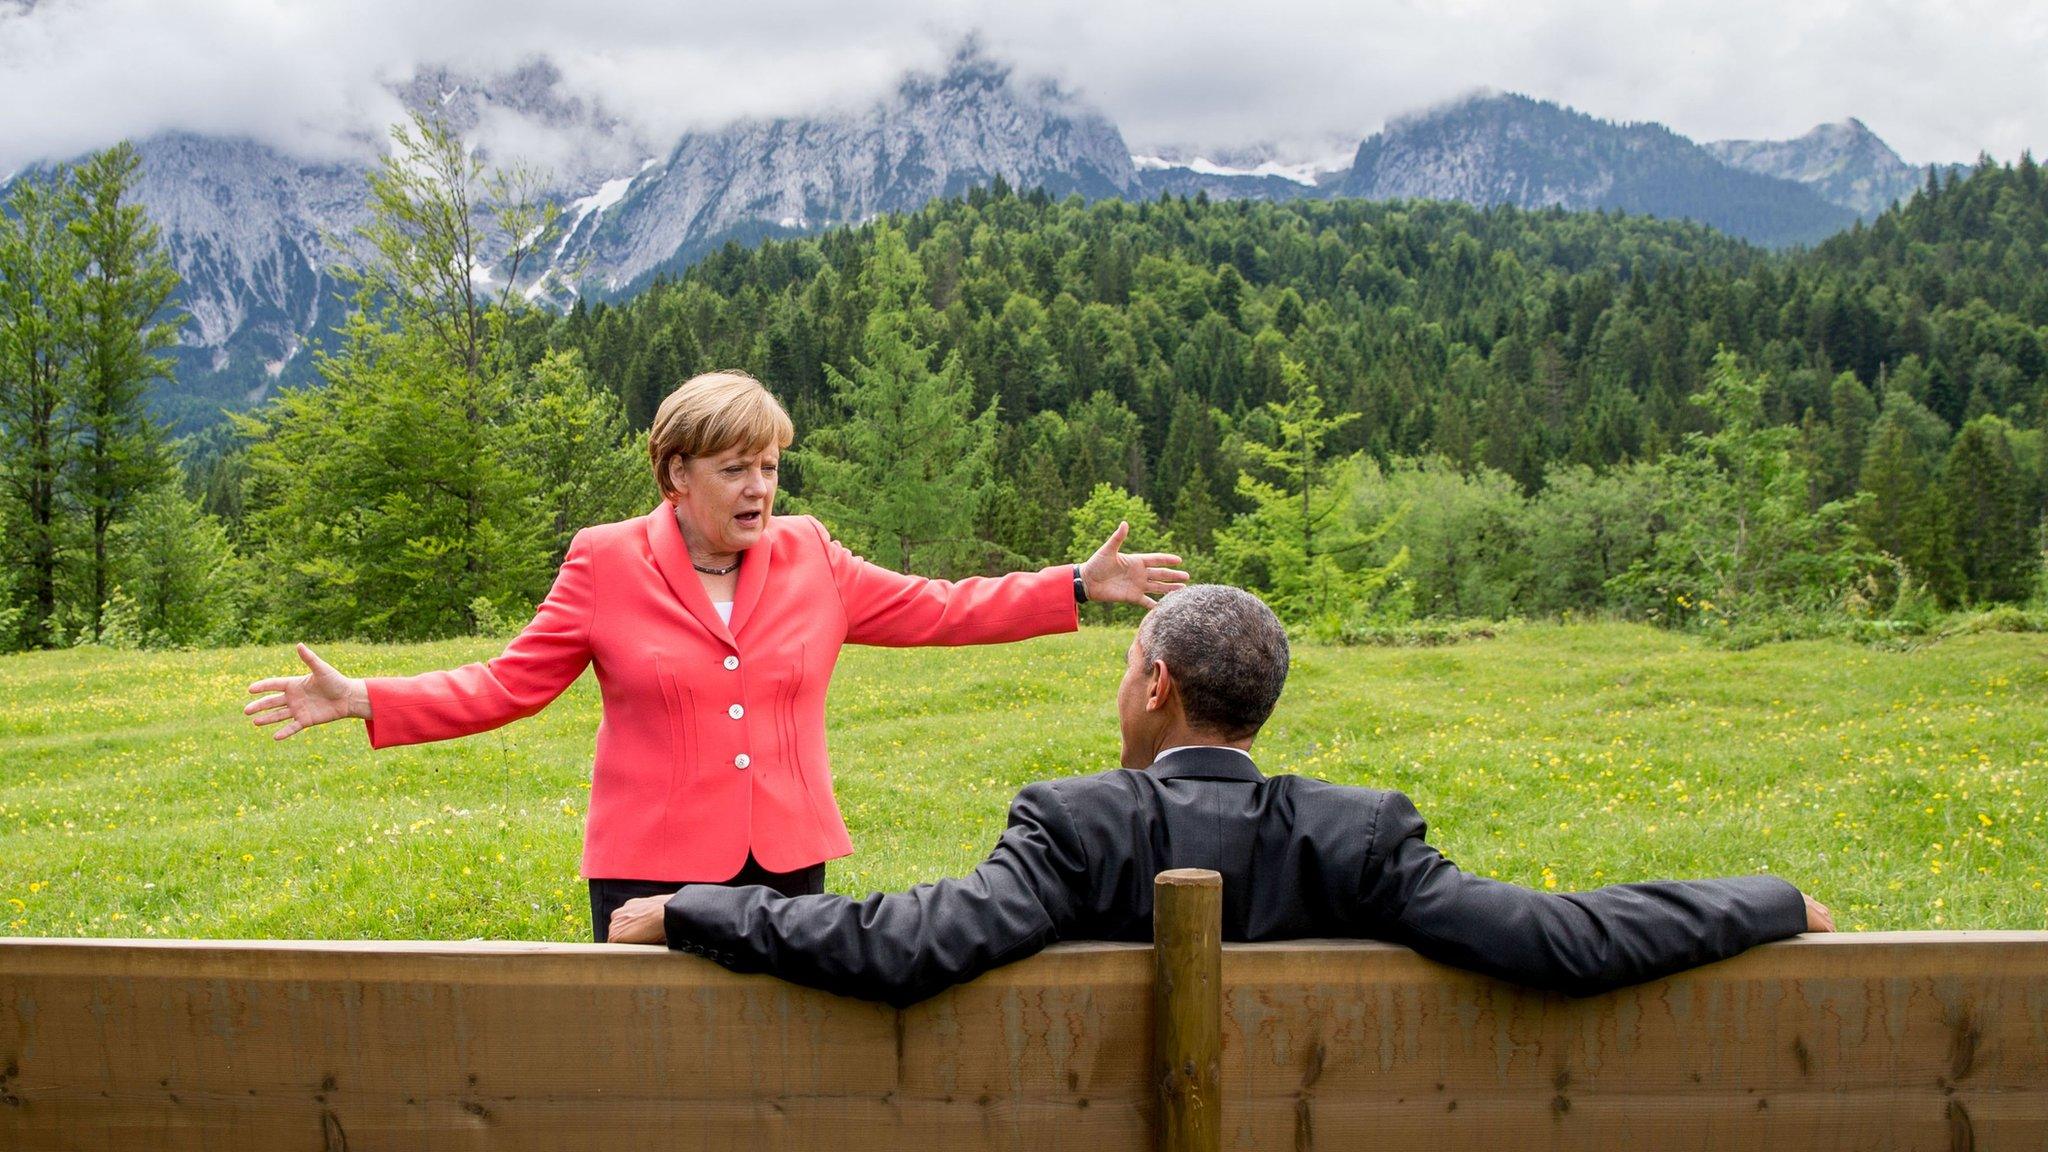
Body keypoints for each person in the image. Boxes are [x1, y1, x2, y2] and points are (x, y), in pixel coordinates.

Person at [243, 370, 1187, 940]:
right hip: (647, 865)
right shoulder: (603, 561)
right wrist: (366, 697)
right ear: (676, 474)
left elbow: (937, 607)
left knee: (776, 1065)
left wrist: (1072, 584)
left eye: (770, 467)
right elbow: (507, 683)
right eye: (735, 469)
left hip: (785, 860)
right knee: (653, 1075)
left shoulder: (813, 553)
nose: (759, 489)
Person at [607, 584, 1833, 1007]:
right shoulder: (1357, 835)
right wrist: (1766, 898)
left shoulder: (1072, 824)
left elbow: (907, 944)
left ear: (1153, 685)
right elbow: (1560, 939)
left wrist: (697, 909)